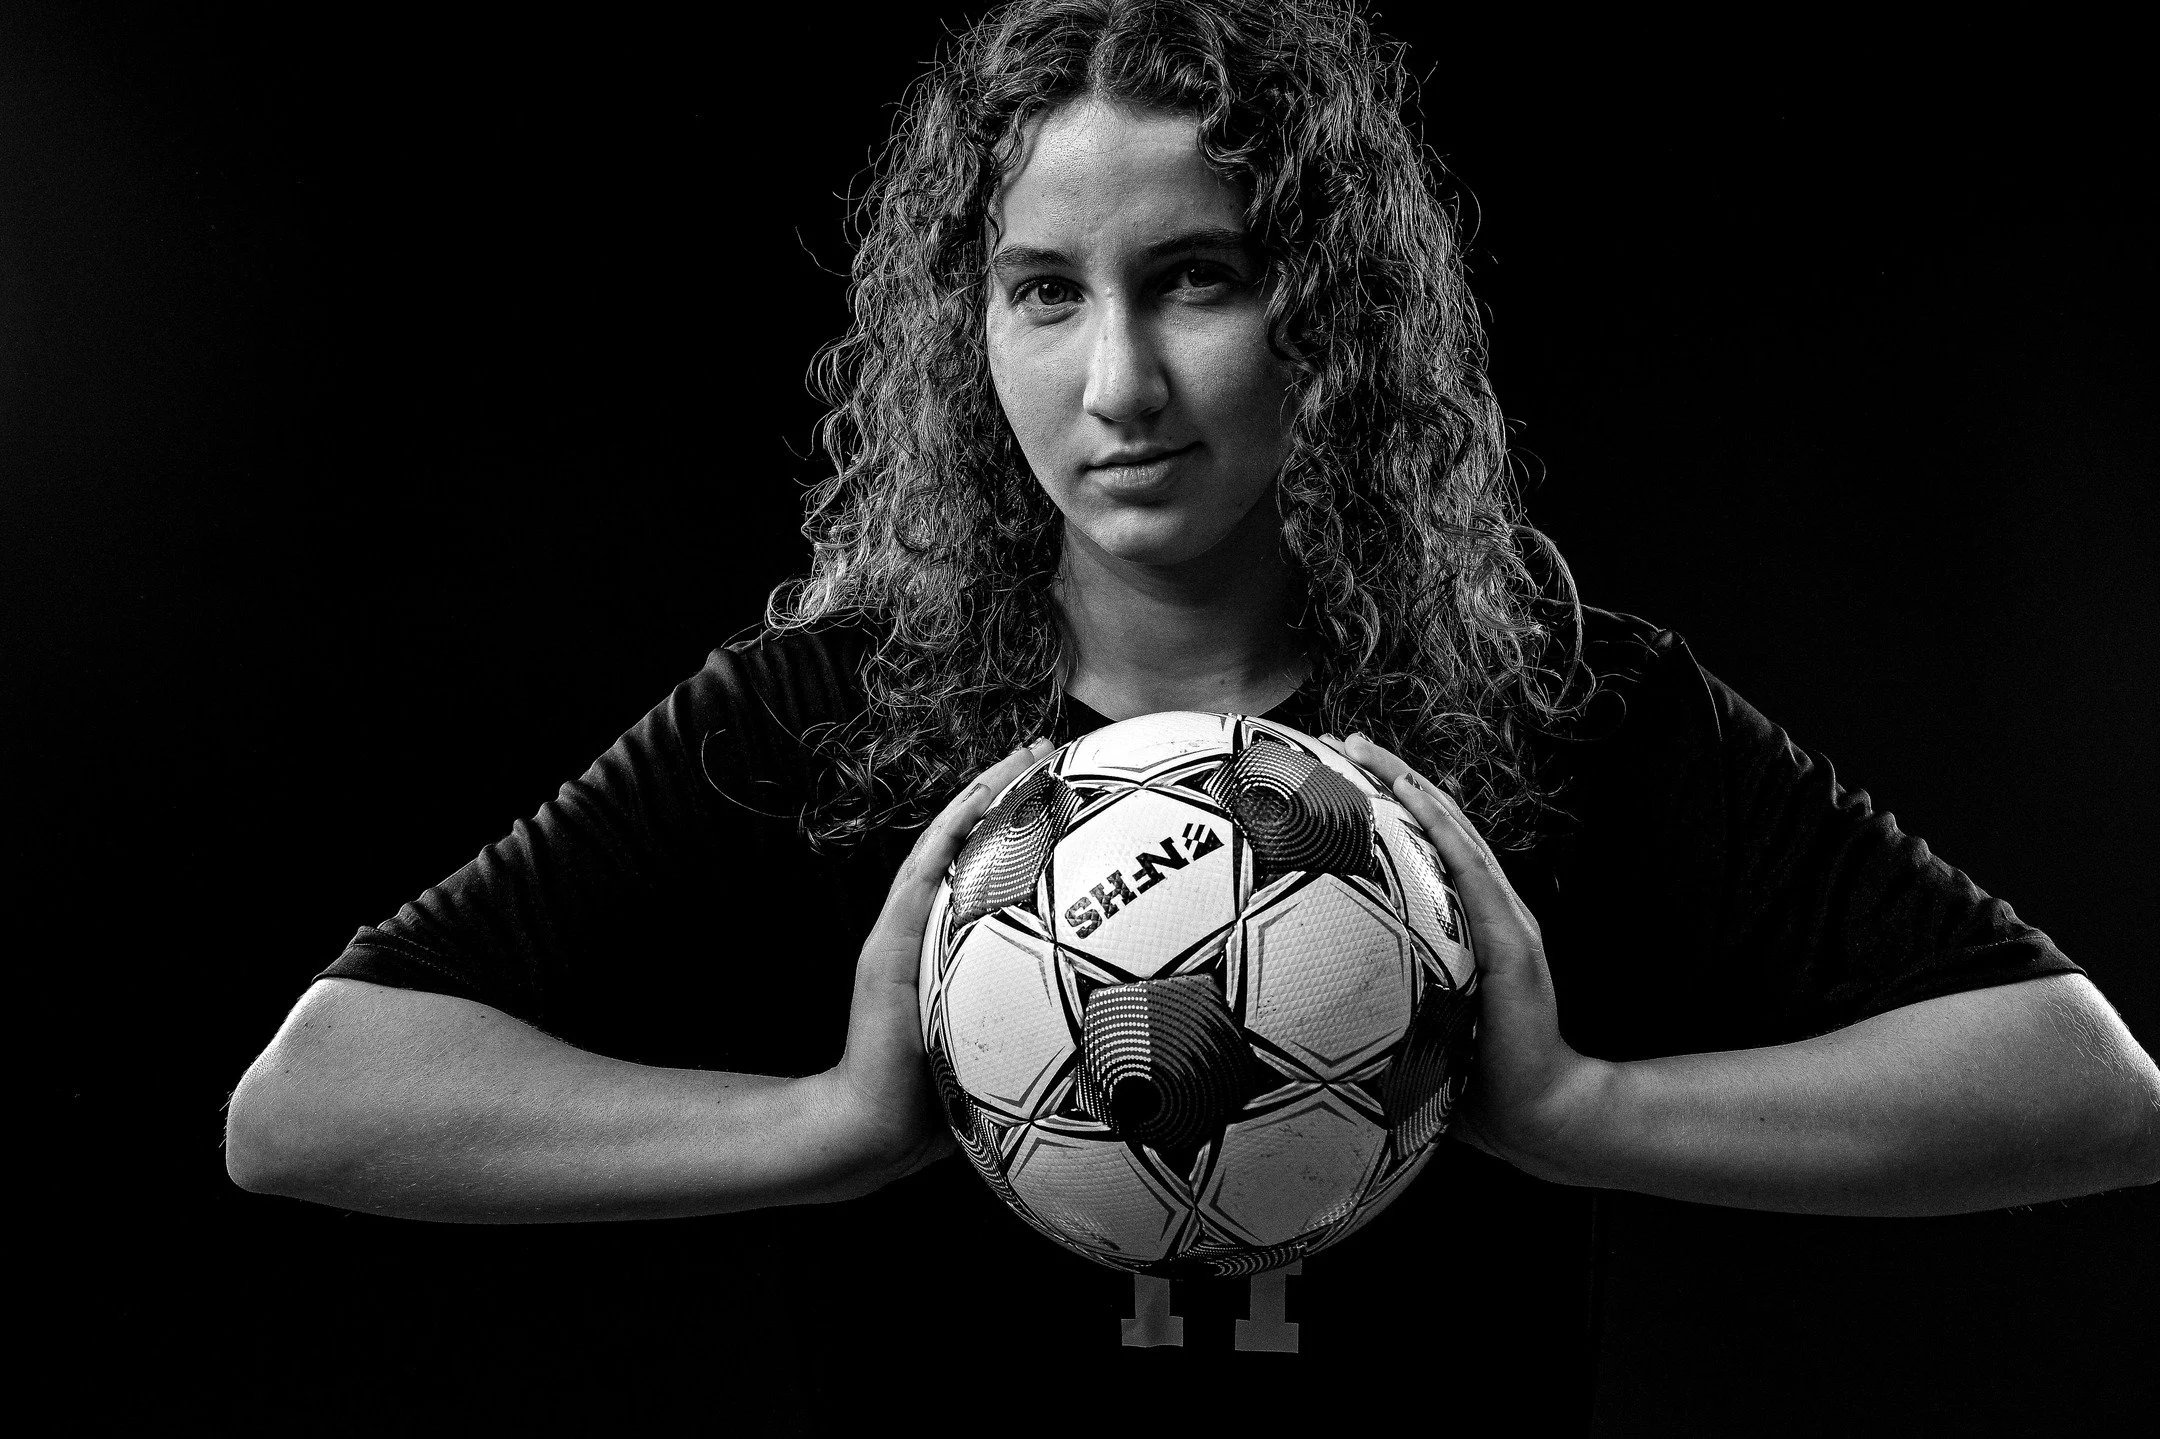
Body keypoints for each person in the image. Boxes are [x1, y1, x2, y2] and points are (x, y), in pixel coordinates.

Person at [224, 0, 2159, 1425]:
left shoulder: (1551, 702)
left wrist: (1588, 1114)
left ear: (1326, 313)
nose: (1121, 380)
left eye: (1200, 279)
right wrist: (822, 1127)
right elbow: (308, 1107)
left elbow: (2091, 1092)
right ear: (964, 329)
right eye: (1043, 292)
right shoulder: (835, 714)